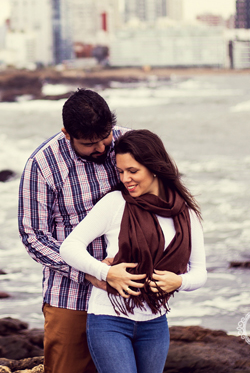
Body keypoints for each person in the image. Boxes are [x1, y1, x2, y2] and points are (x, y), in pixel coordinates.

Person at [59, 129, 206, 373]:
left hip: (155, 323)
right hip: (109, 319)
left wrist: (179, 281)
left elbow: (200, 272)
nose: (126, 178)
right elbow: (70, 247)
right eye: (121, 171)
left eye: (133, 171)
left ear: (154, 167)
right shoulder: (116, 203)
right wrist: (106, 273)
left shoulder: (186, 213)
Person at [18, 88, 126, 373]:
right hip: (70, 294)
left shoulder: (130, 143)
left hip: (128, 289)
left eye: (105, 137)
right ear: (67, 134)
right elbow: (33, 237)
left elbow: (164, 198)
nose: (102, 148)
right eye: (90, 143)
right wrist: (89, 272)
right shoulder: (42, 165)